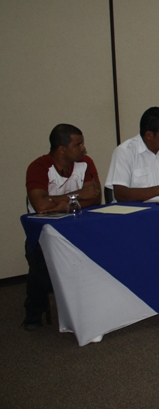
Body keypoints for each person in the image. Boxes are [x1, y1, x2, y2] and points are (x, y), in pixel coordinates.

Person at [24, 124, 102, 330]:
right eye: (78, 144)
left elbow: (94, 198)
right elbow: (41, 206)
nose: (84, 148)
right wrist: (76, 196)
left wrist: (61, 203)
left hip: (78, 227)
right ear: (62, 149)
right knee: (40, 266)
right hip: (44, 232)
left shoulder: (85, 163)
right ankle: (34, 312)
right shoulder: (39, 167)